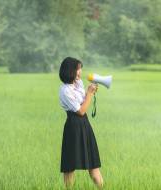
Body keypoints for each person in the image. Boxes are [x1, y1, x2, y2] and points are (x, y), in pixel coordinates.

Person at [59, 57, 103, 189]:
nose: (80, 72)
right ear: (69, 71)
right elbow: (81, 111)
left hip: (85, 125)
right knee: (69, 166)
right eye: (77, 69)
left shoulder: (78, 84)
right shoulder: (65, 90)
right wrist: (89, 94)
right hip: (73, 126)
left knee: (93, 164)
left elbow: (84, 101)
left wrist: (90, 92)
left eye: (80, 68)